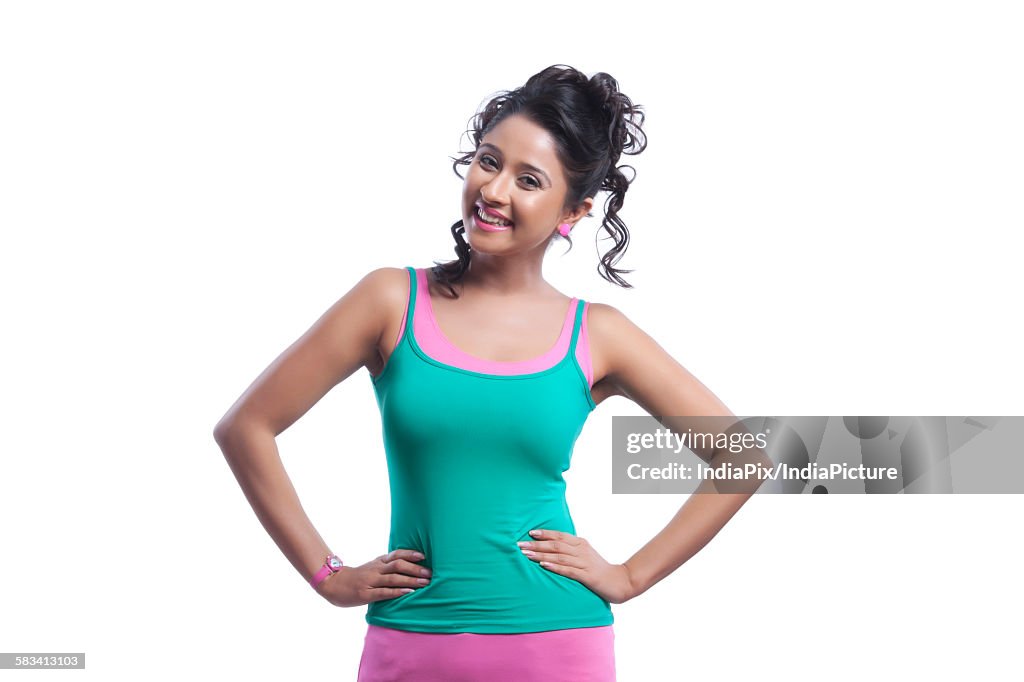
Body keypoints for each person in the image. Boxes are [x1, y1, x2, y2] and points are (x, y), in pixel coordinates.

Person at [214, 64, 764, 681]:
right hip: (411, 641)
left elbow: (743, 455)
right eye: (488, 161)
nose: (494, 191)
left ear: (574, 211)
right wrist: (327, 575)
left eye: (529, 180)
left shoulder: (598, 334)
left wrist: (630, 576)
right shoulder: (390, 302)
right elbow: (246, 428)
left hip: (559, 646)